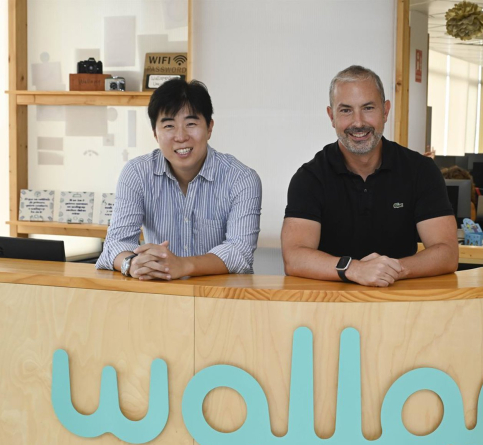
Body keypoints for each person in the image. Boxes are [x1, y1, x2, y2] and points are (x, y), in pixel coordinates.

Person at [282, 65, 458, 287]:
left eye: (368, 108)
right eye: (346, 110)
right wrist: (355, 269)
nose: (358, 122)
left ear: (385, 111)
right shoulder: (310, 178)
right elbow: (294, 258)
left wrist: (389, 270)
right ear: (331, 116)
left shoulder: (421, 171)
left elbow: (447, 253)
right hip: (330, 303)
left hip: (401, 300)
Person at [96, 79, 262, 280]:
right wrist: (132, 263)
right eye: (169, 126)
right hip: (160, 293)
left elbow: (240, 252)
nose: (181, 136)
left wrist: (183, 265)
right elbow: (115, 244)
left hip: (221, 296)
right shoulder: (137, 173)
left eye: (191, 124)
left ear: (209, 128)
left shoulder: (241, 179)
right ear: (155, 134)